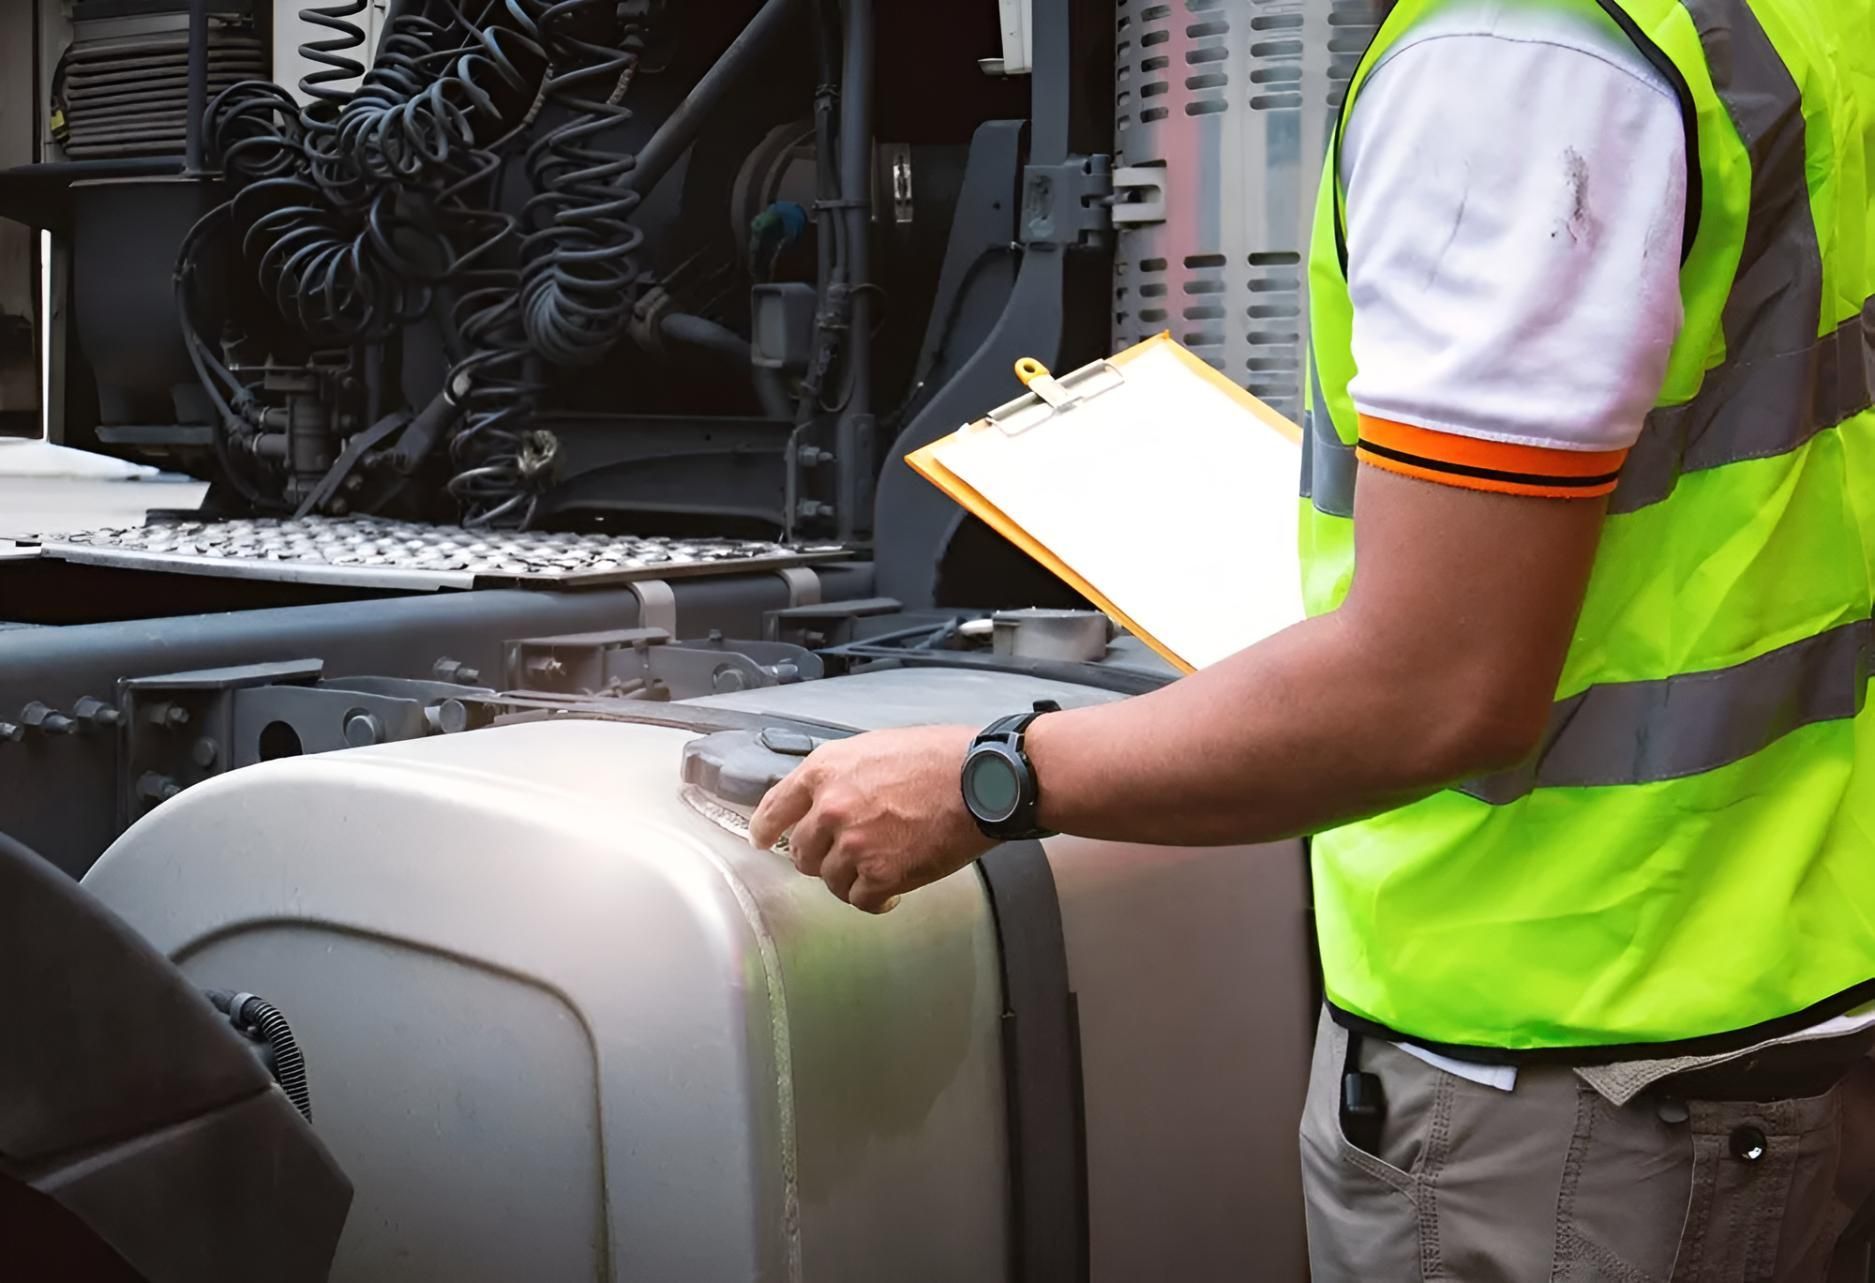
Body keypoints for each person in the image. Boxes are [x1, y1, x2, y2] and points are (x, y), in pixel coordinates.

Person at [750, 0, 1875, 1275]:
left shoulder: (1510, 58)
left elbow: (1436, 690)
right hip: (1780, 988)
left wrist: (989, 777)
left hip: (1577, 1073)